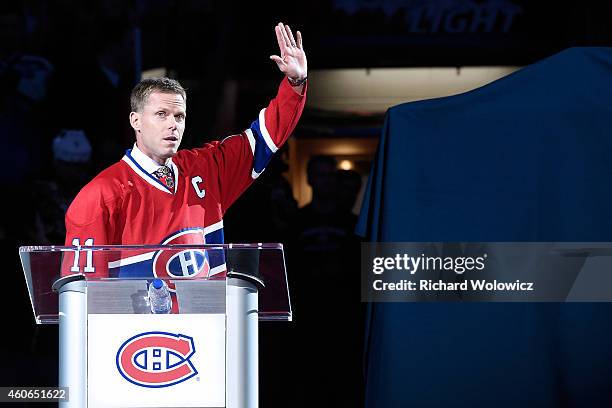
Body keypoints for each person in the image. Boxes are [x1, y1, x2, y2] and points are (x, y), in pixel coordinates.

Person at [64, 23, 307, 279]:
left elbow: (266, 136)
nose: (172, 124)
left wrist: (295, 82)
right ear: (135, 121)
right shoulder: (101, 194)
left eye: (179, 116)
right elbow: (83, 295)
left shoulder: (206, 168)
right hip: (138, 320)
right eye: (161, 114)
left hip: (206, 318)